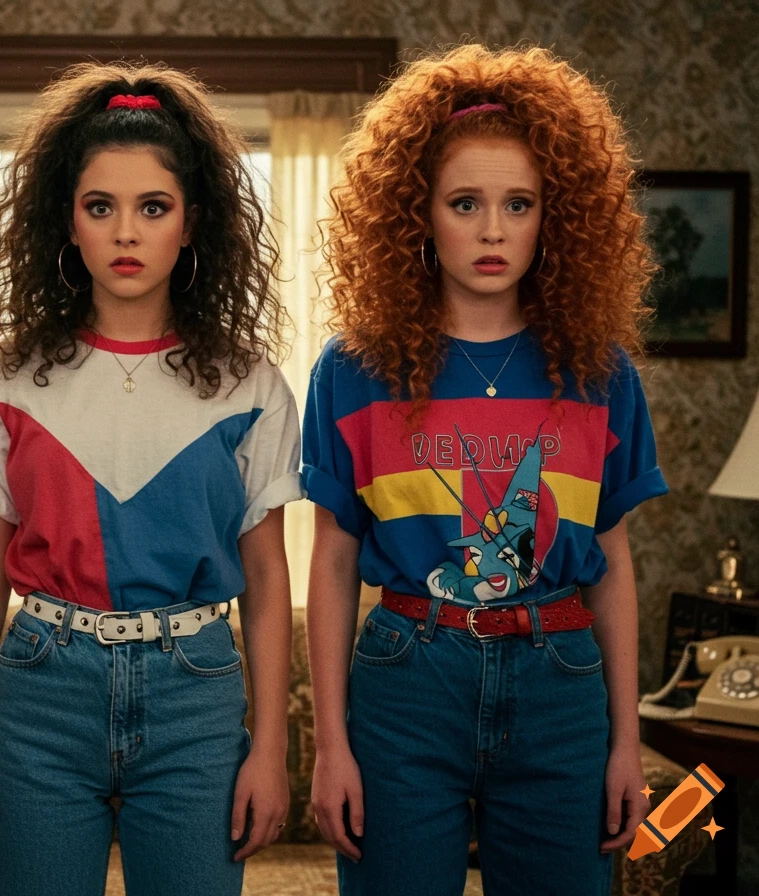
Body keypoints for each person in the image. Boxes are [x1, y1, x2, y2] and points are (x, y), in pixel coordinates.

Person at [302, 44, 669, 896]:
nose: (494, 229)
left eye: (520, 204)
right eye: (466, 203)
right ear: (417, 213)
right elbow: (330, 557)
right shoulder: (352, 369)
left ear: (558, 216)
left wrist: (625, 739)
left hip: (561, 682)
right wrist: (329, 745)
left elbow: (610, 563)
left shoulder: (599, 371)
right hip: (405, 681)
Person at [0, 62, 300, 896]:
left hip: (197, 695)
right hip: (41, 691)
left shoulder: (251, 384)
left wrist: (271, 752)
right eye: (101, 208)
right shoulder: (7, 376)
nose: (127, 233)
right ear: (67, 223)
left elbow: (266, 576)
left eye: (153, 208)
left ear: (192, 223)